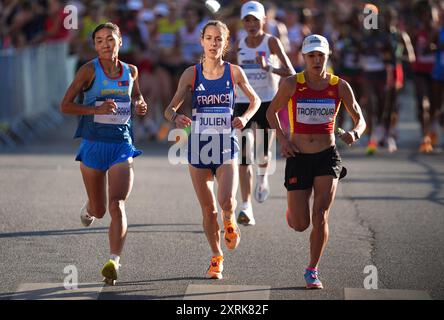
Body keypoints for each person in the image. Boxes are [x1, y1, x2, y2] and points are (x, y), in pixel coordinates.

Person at [266, 34, 366, 289]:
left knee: (320, 215)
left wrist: (354, 133)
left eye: (321, 55)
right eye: (311, 55)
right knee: (301, 224)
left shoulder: (339, 85)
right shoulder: (292, 84)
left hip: (327, 156)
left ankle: (312, 269)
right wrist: (283, 140)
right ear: (303, 57)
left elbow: (360, 118)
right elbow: (270, 112)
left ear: (327, 56)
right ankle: (294, 212)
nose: (316, 60)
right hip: (298, 156)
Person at [164, 20, 260, 280]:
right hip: (199, 147)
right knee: (208, 211)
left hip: (226, 145)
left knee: (226, 201)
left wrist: (245, 117)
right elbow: (169, 109)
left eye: (219, 39)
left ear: (224, 43)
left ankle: (230, 222)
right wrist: (177, 118)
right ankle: (216, 257)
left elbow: (255, 100)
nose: (213, 43)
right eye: (209, 38)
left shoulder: (234, 72)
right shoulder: (191, 74)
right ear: (202, 41)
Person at [60, 22, 148, 285]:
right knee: (99, 210)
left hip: (121, 144)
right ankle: (88, 209)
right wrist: (94, 111)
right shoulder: (89, 71)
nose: (105, 45)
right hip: (93, 145)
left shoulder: (131, 71)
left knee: (117, 204)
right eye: (99, 41)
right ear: (94, 45)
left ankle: (113, 261)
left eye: (110, 39)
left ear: (120, 41)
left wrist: (140, 105)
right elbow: (65, 106)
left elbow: (137, 98)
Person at [232, 1, 295, 226]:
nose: (251, 24)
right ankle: (246, 206)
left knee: (263, 151)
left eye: (255, 19)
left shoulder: (272, 42)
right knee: (244, 154)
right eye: (247, 20)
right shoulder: (238, 45)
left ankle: (262, 178)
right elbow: (227, 69)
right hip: (244, 102)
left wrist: (268, 67)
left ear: (263, 21)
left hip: (268, 100)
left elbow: (291, 72)